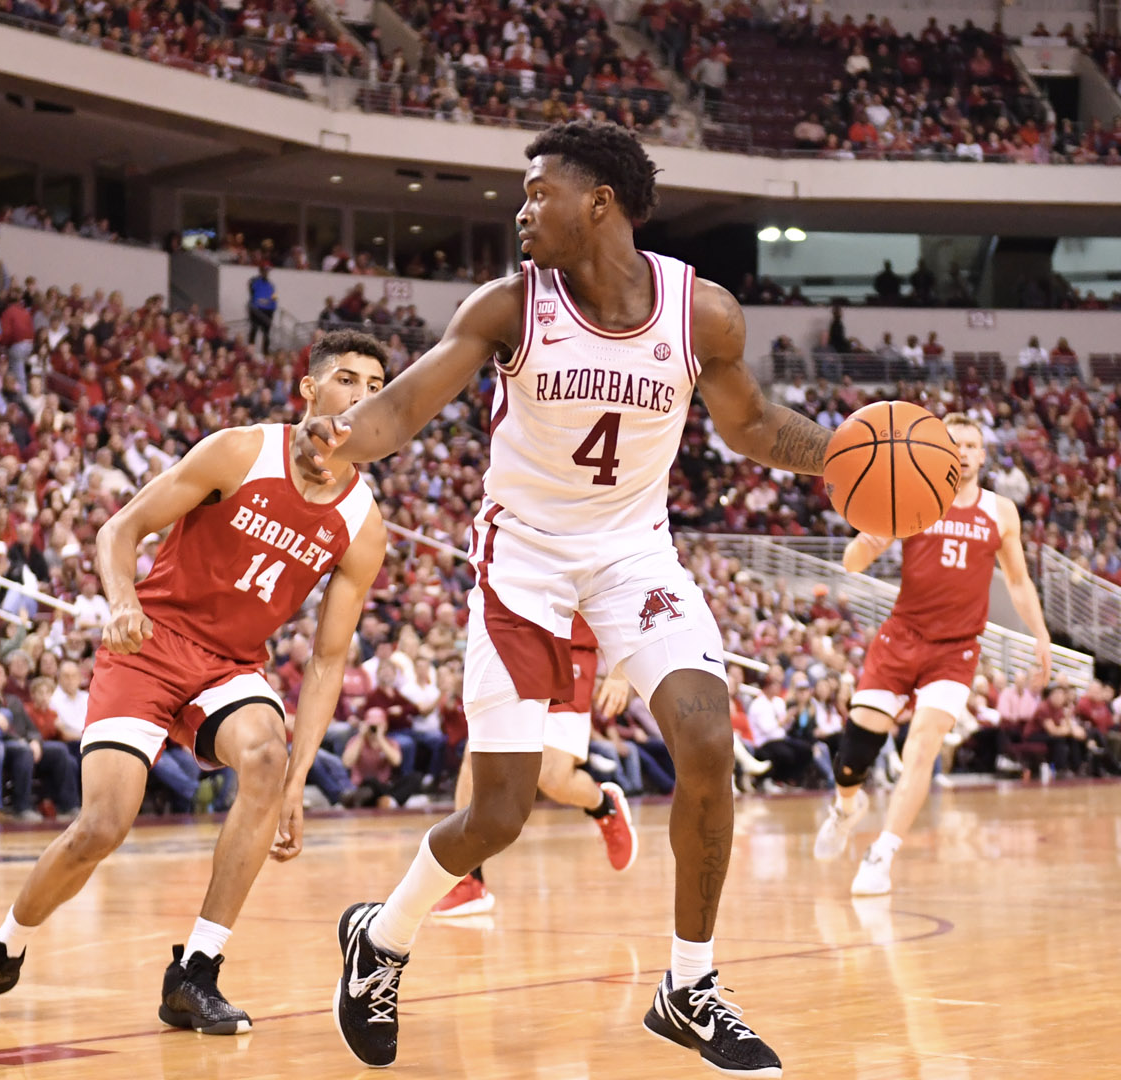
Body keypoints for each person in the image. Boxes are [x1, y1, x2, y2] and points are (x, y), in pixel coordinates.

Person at [309, 120, 842, 1076]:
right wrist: (344, 437)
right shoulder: (509, 306)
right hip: (523, 562)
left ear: (598, 202)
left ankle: (689, 985)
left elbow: (753, 424)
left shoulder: (701, 313)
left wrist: (838, 456)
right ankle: (381, 939)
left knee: (710, 742)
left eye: (537, 191)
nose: (520, 209)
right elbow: (405, 407)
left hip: (634, 556)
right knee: (500, 814)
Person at [0, 331, 390, 1036]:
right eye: (348, 379)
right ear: (308, 391)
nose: (363, 395)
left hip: (229, 667)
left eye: (378, 386)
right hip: (148, 644)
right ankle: (1, 951)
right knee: (102, 826)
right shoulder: (240, 450)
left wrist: (295, 785)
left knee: (266, 757)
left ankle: (195, 971)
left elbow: (326, 661)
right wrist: (122, 600)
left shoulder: (362, 523)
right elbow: (120, 529)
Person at [812, 415, 1050, 896]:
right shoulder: (915, 496)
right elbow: (852, 564)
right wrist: (869, 539)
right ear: (941, 449)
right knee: (855, 752)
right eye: (955, 443)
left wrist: (1041, 635)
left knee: (922, 744)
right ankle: (845, 807)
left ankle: (882, 853)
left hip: (955, 650)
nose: (963, 451)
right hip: (901, 637)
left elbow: (1019, 581)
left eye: (972, 444)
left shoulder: (1002, 512)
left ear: (983, 455)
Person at [431, 616, 637, 918]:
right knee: (477, 755)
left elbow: (621, 588)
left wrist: (620, 671)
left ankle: (603, 806)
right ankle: (469, 880)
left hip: (568, 650)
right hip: (509, 643)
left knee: (553, 777)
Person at [248, 265, 278, 353]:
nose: (266, 273)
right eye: (264, 270)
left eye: (267, 271)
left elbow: (273, 298)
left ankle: (265, 351)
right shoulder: (255, 282)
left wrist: (267, 302)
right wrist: (263, 301)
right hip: (257, 311)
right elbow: (255, 297)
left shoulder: (270, 285)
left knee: (267, 333)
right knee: (254, 329)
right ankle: (251, 350)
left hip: (268, 312)